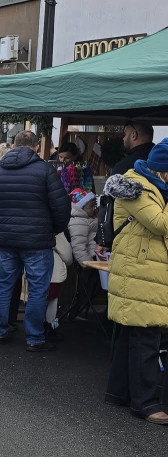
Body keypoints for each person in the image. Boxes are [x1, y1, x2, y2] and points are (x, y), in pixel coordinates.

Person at [0, 130, 71, 352]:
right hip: (38, 241)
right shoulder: (45, 171)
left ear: (13, 145)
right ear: (36, 147)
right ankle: (34, 337)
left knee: (3, 285)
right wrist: (53, 229)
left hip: (7, 239)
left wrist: (2, 226)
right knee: (38, 289)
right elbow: (61, 208)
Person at [103, 141, 168, 425]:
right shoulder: (136, 188)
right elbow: (160, 224)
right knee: (145, 337)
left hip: (141, 270)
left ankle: (118, 392)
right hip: (138, 272)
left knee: (131, 334)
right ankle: (145, 403)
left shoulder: (150, 186)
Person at [68, 188, 98, 265]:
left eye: (95, 206)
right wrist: (89, 263)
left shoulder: (88, 217)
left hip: (94, 254)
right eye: (90, 207)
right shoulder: (78, 223)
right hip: (88, 259)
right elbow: (78, 247)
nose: (94, 209)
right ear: (80, 208)